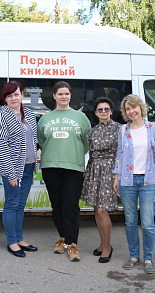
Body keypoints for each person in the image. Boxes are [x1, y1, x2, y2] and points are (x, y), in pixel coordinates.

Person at [37, 81, 91, 262]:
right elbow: (43, 140)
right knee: (57, 206)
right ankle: (63, 238)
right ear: (54, 96)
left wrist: (72, 154)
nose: (63, 97)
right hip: (50, 167)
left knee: (71, 206)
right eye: (60, 94)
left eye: (66, 94)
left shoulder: (81, 118)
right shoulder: (45, 118)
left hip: (73, 167)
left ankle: (72, 243)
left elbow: (86, 142)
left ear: (70, 96)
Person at [113, 94, 155, 274]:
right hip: (127, 181)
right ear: (125, 112)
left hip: (148, 181)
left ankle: (148, 258)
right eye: (128, 109)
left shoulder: (153, 129)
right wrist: (116, 177)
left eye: (134, 107)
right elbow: (119, 155)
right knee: (129, 221)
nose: (131, 111)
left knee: (148, 223)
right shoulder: (123, 130)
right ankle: (133, 256)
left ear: (141, 108)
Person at [0, 81, 38, 258]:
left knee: (21, 204)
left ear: (22, 95)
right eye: (9, 95)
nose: (14, 98)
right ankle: (11, 241)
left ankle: (19, 238)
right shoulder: (1, 115)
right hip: (13, 168)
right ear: (5, 98)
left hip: (28, 167)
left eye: (16, 94)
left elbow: (33, 139)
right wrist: (10, 173)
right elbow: (0, 144)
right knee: (11, 204)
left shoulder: (28, 113)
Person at [81, 97, 120, 263]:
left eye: (106, 109)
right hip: (94, 171)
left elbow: (123, 154)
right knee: (97, 210)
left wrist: (117, 176)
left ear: (111, 111)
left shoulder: (120, 129)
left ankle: (108, 247)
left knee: (103, 211)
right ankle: (102, 243)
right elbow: (90, 153)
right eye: (100, 109)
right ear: (96, 113)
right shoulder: (92, 131)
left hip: (110, 172)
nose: (103, 112)